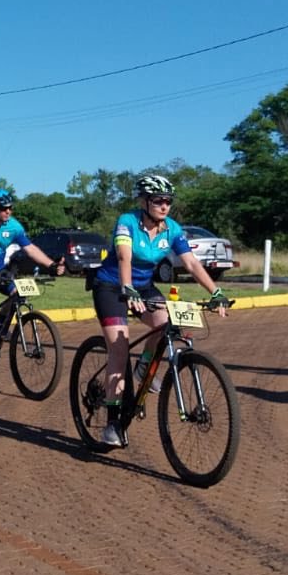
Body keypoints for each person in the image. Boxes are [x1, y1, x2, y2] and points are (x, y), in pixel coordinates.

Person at [90, 174, 229, 449]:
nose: (164, 206)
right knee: (119, 349)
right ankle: (113, 423)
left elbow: (191, 264)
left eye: (168, 201)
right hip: (111, 286)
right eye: (158, 201)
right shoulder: (127, 222)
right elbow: (124, 257)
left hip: (143, 286)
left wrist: (216, 292)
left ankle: (143, 370)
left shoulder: (172, 229)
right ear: (144, 201)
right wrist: (127, 288)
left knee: (166, 322)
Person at [0, 188, 61, 382]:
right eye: (3, 208)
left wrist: (51, 265)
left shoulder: (14, 226)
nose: (8, 211)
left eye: (10, 207)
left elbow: (30, 248)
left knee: (18, 293)